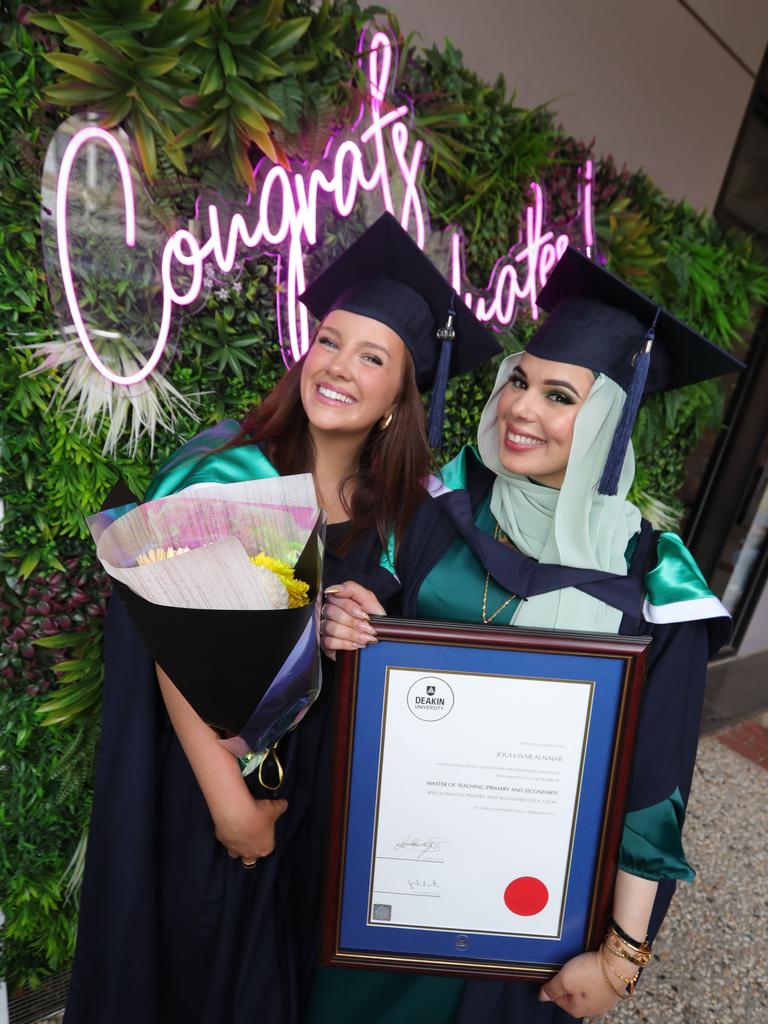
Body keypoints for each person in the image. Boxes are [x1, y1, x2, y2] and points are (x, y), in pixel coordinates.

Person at [63, 212, 500, 1024]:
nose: (338, 367)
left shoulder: (393, 526)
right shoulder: (230, 466)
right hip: (196, 802)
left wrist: (367, 631)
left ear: (399, 402)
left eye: (372, 357)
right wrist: (230, 804)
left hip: (307, 827)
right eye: (329, 341)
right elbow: (168, 639)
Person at [313, 246, 740, 1023]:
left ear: (609, 419)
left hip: (535, 923)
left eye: (558, 395)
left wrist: (620, 957)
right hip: (390, 890)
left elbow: (654, 790)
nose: (520, 409)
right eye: (519, 381)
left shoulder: (653, 582)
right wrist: (340, 619)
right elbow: (361, 618)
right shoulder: (433, 513)